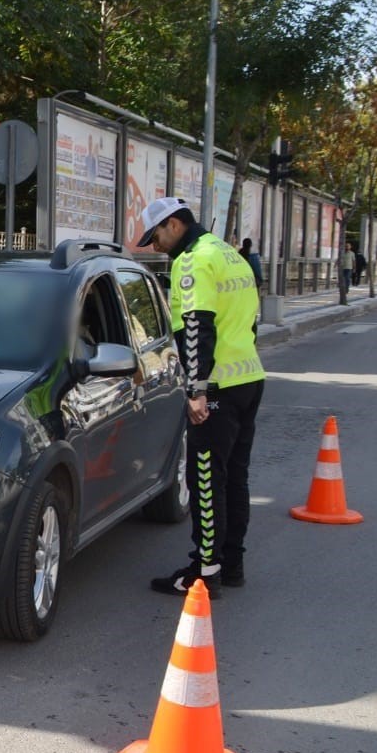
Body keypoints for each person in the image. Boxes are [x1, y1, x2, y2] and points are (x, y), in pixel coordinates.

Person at [138, 197, 265, 599]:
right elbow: (249, 320)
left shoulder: (192, 260)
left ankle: (203, 573)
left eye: (155, 235)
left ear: (174, 224)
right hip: (248, 378)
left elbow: (197, 328)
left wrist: (197, 390)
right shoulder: (228, 254)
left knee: (206, 479)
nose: (154, 245)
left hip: (217, 389)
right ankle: (232, 564)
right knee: (234, 476)